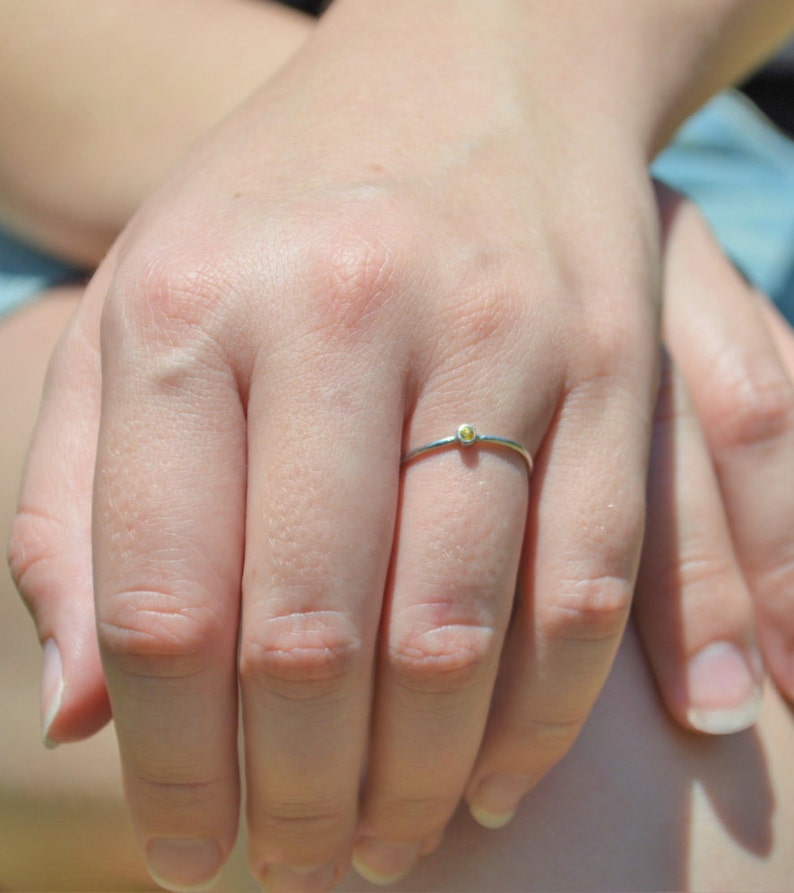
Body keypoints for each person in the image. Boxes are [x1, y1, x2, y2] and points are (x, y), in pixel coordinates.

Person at [2, 1, 794, 890]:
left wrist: (520, 121)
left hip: (640, 108)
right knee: (599, 769)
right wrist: (421, 162)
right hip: (84, 204)